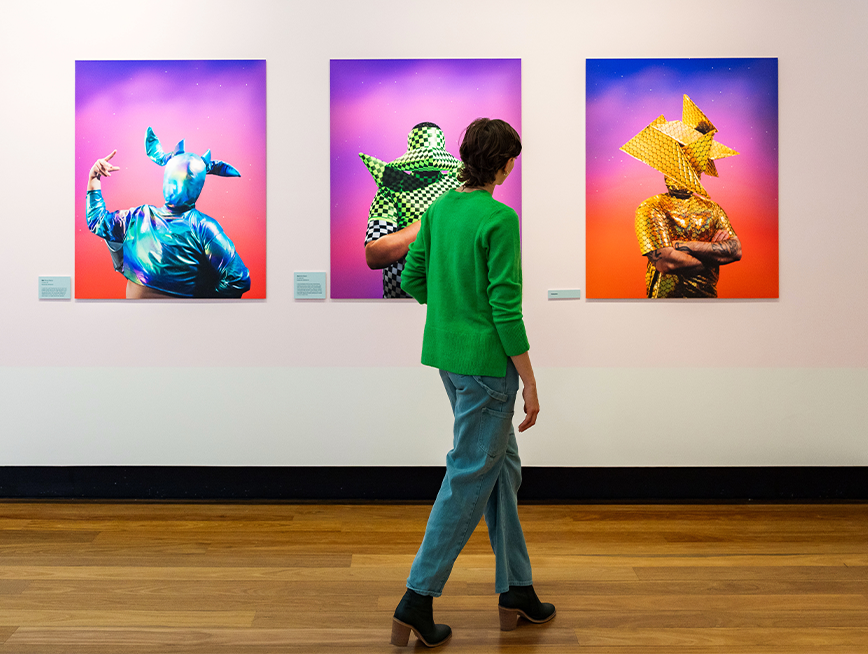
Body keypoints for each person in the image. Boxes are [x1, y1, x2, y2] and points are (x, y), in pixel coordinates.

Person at [391, 118, 555, 648]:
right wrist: (529, 381)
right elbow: (506, 309)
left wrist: (451, 312)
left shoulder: (438, 210)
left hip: (451, 361)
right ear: (506, 164)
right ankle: (417, 598)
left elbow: (415, 277)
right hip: (488, 368)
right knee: (468, 476)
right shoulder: (499, 218)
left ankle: (517, 590)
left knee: (500, 470)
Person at [86, 127, 250, 299]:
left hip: (180, 322)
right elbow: (98, 222)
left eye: (187, 178)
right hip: (135, 320)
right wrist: (94, 177)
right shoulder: (140, 217)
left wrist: (203, 301)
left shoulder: (203, 228)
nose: (177, 184)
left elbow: (238, 279)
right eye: (175, 176)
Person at [620, 95, 742, 298]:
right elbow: (666, 262)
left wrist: (680, 246)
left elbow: (735, 250)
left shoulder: (712, 209)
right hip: (665, 304)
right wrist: (714, 253)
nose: (676, 177)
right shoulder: (651, 207)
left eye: (685, 170)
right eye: (673, 168)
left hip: (708, 303)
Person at [361, 122, 461, 298]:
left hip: (451, 303)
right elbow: (374, 255)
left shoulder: (460, 189)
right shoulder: (391, 191)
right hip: (400, 304)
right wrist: (430, 220)